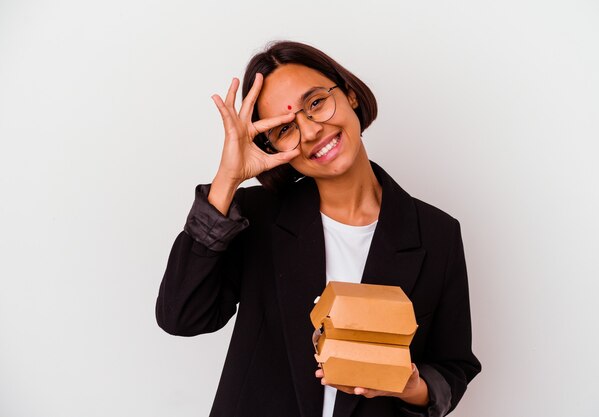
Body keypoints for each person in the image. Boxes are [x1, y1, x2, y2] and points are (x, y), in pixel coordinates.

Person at [156, 40, 481, 417]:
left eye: (315, 103)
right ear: (272, 147)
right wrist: (227, 180)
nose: (310, 131)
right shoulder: (253, 216)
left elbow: (454, 365)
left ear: (352, 95)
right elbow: (181, 316)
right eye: (285, 129)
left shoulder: (437, 233)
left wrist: (414, 387)